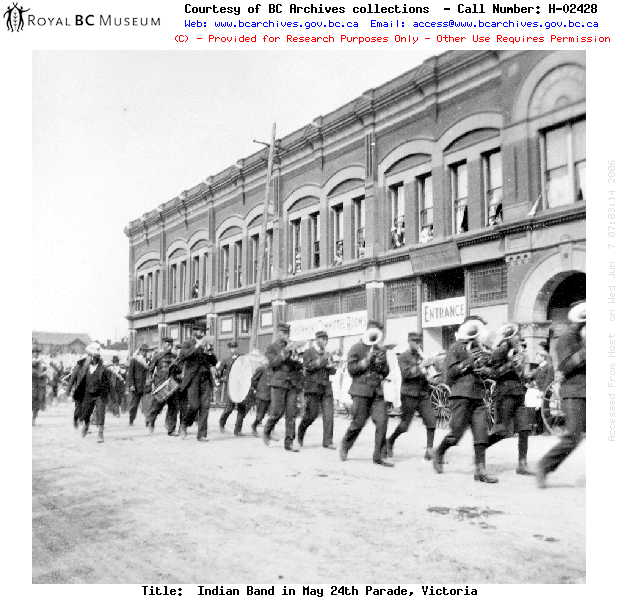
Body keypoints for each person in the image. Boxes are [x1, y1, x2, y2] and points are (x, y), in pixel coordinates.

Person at [432, 319, 498, 483]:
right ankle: (439, 452)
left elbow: (484, 371)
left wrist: (484, 365)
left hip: (478, 395)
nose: (475, 336)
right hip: (461, 395)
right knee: (456, 434)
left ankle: (480, 471)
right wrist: (469, 362)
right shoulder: (455, 347)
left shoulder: (478, 349)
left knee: (481, 433)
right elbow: (450, 373)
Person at [537, 302, 586, 488]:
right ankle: (544, 466)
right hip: (574, 392)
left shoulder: (581, 338)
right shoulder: (566, 338)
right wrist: (585, 351)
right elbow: (565, 366)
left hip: (585, 391)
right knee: (572, 437)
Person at [339, 320, 393, 467]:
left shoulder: (380, 349)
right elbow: (351, 369)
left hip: (377, 392)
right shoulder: (356, 348)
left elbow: (386, 371)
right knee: (358, 423)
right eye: (372, 331)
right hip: (361, 391)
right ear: (366, 331)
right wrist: (365, 361)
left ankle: (379, 455)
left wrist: (382, 362)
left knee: (382, 421)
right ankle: (345, 445)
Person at [485, 324, 534, 475]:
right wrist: (510, 364)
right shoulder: (499, 351)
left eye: (518, 335)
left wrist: (526, 372)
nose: (518, 338)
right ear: (509, 338)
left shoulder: (518, 351)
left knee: (524, 428)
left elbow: (521, 374)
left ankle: (522, 465)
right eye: (516, 336)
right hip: (504, 394)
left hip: (518, 393)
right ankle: (481, 448)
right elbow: (493, 374)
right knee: (502, 430)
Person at [386, 333, 436, 461]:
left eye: (420, 341)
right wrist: (422, 365)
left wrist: (431, 368)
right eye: (415, 341)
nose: (418, 344)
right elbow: (407, 374)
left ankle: (429, 450)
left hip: (423, 394)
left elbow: (428, 374)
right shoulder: (403, 356)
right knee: (404, 426)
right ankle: (390, 441)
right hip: (409, 394)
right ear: (409, 342)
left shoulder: (421, 355)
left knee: (431, 421)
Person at [263, 323, 304, 451]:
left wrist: (297, 358)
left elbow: (298, 366)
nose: (286, 335)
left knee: (291, 414)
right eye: (283, 333)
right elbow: (272, 364)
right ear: (278, 333)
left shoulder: (292, 346)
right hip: (279, 382)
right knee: (277, 412)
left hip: (291, 383)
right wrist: (285, 353)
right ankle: (267, 430)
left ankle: (289, 443)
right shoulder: (271, 347)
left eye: (287, 333)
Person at [297, 331, 337, 450]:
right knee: (311, 415)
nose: (323, 342)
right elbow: (308, 366)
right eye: (321, 339)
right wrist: (322, 359)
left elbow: (332, 372)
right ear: (316, 340)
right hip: (313, 388)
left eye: (325, 340)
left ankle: (328, 441)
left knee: (329, 415)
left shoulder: (327, 353)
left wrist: (331, 366)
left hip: (326, 388)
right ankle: (301, 431)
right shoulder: (309, 352)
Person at [66, 342, 113, 443]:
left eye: (96, 356)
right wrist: (68, 392)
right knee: (85, 413)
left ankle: (100, 433)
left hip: (100, 394)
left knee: (100, 412)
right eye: (92, 356)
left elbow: (109, 383)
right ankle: (86, 425)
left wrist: (113, 397)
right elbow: (73, 379)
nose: (94, 358)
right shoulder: (81, 366)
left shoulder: (103, 368)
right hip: (87, 393)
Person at [178, 327, 218, 441]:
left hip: (205, 378)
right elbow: (183, 356)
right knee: (194, 405)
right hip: (193, 378)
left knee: (205, 407)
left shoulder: (207, 344)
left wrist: (210, 352)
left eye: (204, 331)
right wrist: (197, 346)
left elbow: (213, 362)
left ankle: (201, 435)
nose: (203, 333)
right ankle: (185, 424)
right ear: (194, 332)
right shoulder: (188, 343)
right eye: (201, 331)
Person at [147, 338, 182, 435]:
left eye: (171, 345)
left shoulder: (175, 357)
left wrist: (176, 366)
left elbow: (179, 371)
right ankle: (151, 423)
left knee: (173, 407)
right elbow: (150, 369)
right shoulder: (157, 356)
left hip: (172, 384)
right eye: (168, 345)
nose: (170, 347)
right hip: (160, 384)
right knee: (157, 406)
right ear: (163, 345)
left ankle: (171, 429)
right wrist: (149, 380)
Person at [218, 341, 249, 435]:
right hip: (232, 387)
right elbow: (219, 372)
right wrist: (222, 378)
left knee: (242, 408)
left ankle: (237, 430)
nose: (234, 350)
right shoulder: (226, 360)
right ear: (228, 350)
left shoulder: (242, 358)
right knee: (229, 408)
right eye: (231, 348)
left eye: (235, 347)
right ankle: (222, 423)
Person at [532, 341, 554, 435]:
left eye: (538, 356)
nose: (536, 358)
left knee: (545, 409)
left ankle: (547, 430)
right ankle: (539, 430)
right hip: (538, 391)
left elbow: (548, 380)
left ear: (542, 357)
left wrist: (543, 391)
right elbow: (536, 379)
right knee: (537, 411)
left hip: (545, 391)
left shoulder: (548, 367)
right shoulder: (538, 368)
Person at [127, 343, 149, 426]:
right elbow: (130, 374)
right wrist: (131, 385)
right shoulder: (134, 360)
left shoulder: (148, 360)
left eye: (146, 351)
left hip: (146, 386)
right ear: (140, 351)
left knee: (147, 405)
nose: (144, 352)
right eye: (143, 350)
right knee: (134, 405)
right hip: (136, 386)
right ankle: (131, 420)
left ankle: (148, 421)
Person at [249, 364, 274, 438]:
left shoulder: (276, 369)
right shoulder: (262, 368)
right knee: (260, 415)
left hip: (272, 395)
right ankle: (254, 426)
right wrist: (257, 388)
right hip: (262, 395)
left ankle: (268, 433)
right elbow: (254, 379)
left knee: (273, 415)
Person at [32, 346, 47, 425]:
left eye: (37, 352)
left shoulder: (41, 361)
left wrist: (43, 372)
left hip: (38, 385)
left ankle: (33, 420)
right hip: (32, 384)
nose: (36, 354)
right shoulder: (33, 361)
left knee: (36, 403)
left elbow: (45, 368)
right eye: (35, 352)